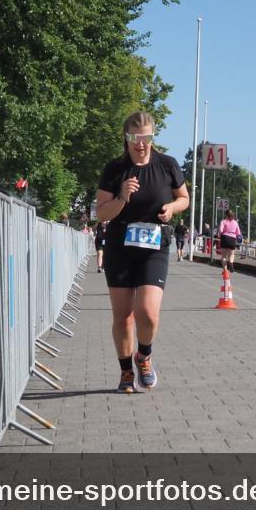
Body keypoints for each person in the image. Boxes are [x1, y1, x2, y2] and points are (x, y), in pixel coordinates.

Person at [95, 112, 189, 394]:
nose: (141, 143)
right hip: (120, 247)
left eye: (146, 137)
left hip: (154, 247)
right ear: (126, 138)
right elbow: (102, 213)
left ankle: (143, 356)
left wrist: (172, 208)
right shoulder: (115, 169)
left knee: (147, 312)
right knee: (124, 316)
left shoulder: (167, 164)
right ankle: (126, 371)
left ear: (152, 137)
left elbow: (184, 198)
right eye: (135, 138)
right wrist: (122, 197)